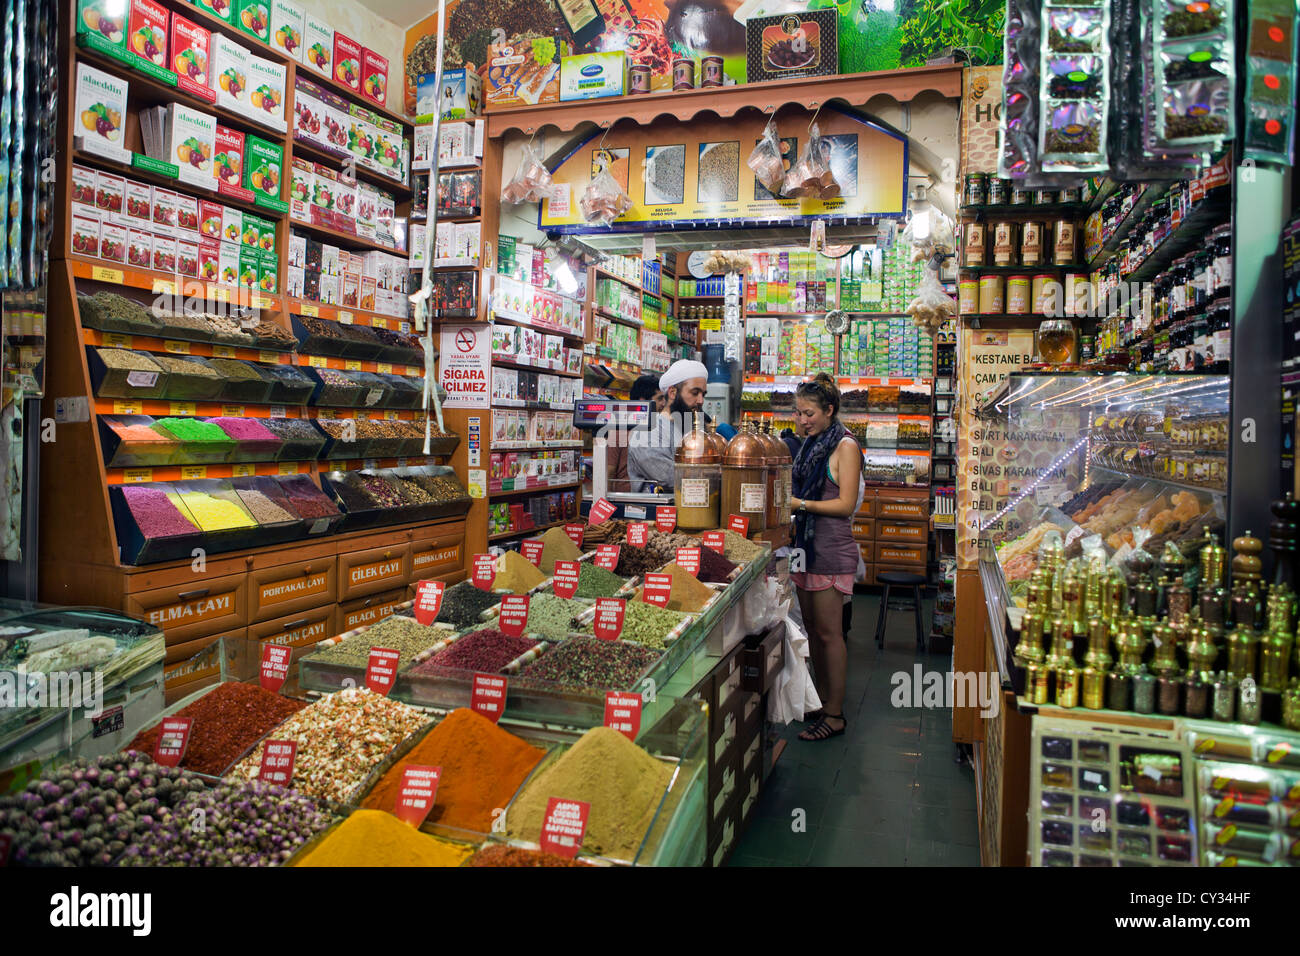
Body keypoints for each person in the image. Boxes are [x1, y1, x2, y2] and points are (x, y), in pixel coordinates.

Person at [788, 373, 863, 741]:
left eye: (809, 413)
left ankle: (835, 715)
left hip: (831, 550)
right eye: (799, 413)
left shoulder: (845, 446)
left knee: (831, 634)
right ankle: (819, 702)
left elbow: (845, 504)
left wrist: (799, 504)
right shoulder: (811, 444)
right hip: (805, 549)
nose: (802, 421)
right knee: (813, 631)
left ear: (829, 410)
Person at [627, 359, 708, 492]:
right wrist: (714, 474)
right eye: (694, 393)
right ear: (672, 393)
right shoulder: (647, 431)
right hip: (657, 511)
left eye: (703, 394)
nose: (701, 401)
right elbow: (669, 476)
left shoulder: (691, 428)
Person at [607, 374, 664, 492]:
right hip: (625, 500)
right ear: (643, 402)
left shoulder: (660, 427)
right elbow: (609, 471)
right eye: (659, 399)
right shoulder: (620, 429)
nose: (663, 403)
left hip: (653, 497)